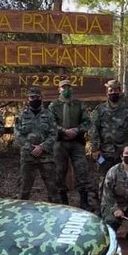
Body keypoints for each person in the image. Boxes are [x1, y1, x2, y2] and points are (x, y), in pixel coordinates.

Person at [90, 79, 128, 198]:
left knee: (124, 178)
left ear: (120, 91)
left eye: (116, 90)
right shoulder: (99, 110)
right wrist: (95, 149)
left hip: (123, 153)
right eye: (111, 90)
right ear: (107, 92)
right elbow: (94, 130)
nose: (113, 93)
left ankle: (122, 204)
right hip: (104, 153)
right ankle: (103, 205)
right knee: (104, 178)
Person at [48, 79, 91, 209]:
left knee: (82, 171)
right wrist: (63, 131)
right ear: (59, 89)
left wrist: (77, 130)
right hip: (60, 143)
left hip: (77, 143)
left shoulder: (79, 105)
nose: (66, 89)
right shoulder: (53, 106)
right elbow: (50, 123)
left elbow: (87, 122)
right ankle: (63, 202)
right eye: (63, 87)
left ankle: (84, 202)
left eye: (68, 87)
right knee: (59, 171)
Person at [14, 87, 60, 203]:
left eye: (37, 97)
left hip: (46, 157)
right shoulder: (21, 115)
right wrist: (30, 148)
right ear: (28, 99)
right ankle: (21, 213)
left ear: (41, 98)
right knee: (23, 189)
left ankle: (55, 214)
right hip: (28, 157)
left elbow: (54, 134)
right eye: (32, 97)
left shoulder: (49, 115)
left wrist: (42, 147)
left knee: (53, 189)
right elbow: (18, 135)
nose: (35, 99)